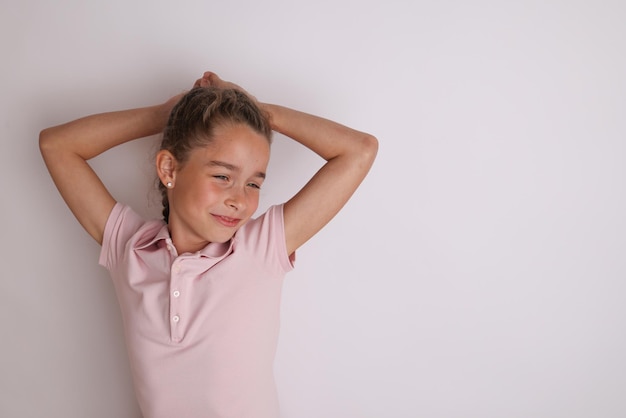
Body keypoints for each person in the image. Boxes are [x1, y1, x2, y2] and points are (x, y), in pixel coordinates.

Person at [39, 71, 378, 418]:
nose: (239, 200)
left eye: (253, 184)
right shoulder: (130, 247)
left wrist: (262, 113)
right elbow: (56, 145)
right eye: (222, 176)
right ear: (169, 168)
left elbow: (359, 150)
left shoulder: (261, 248)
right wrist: (166, 115)